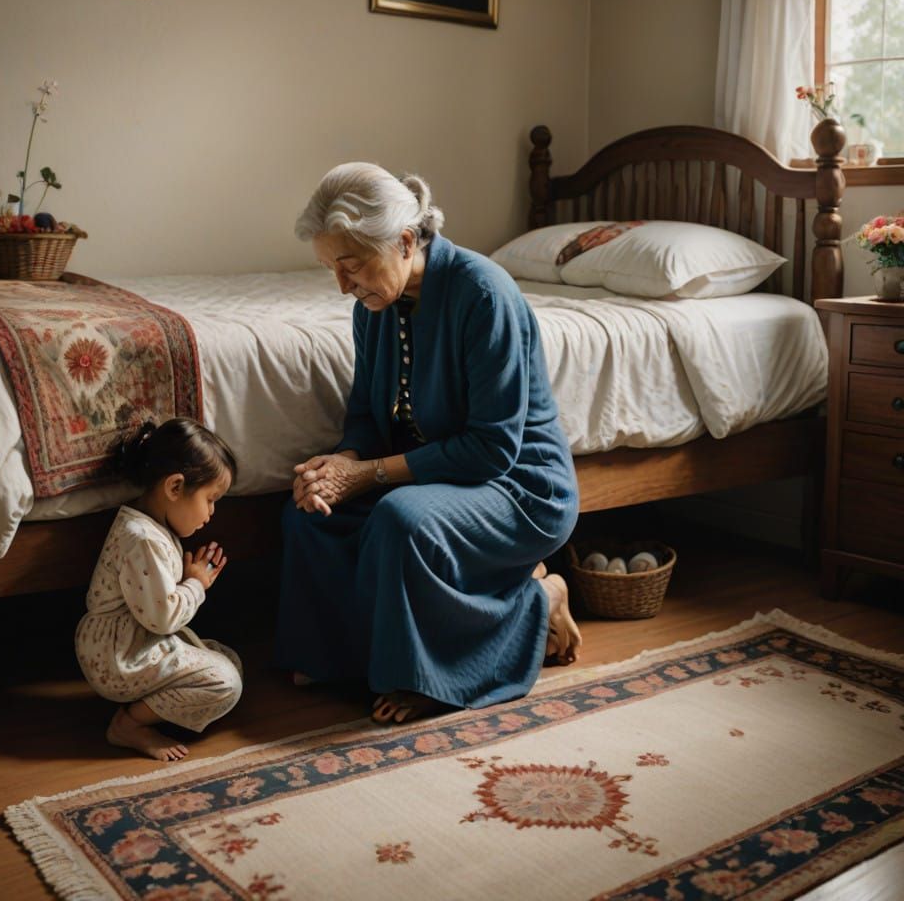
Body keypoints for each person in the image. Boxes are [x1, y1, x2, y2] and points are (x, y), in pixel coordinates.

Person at [274, 162, 581, 725]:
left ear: (405, 241)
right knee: (310, 512)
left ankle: (528, 610)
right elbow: (366, 416)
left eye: (352, 266)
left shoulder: (484, 294)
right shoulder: (372, 306)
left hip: (518, 487)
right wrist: (339, 464)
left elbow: (492, 450)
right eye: (331, 270)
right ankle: (346, 659)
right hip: (433, 473)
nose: (343, 285)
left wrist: (367, 475)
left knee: (399, 519)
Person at [75, 418, 242, 761]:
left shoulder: (152, 526)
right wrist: (196, 584)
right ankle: (130, 724)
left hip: (139, 641)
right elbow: (164, 618)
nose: (212, 512)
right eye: (211, 499)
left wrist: (188, 576)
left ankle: (153, 707)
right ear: (175, 487)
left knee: (228, 660)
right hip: (120, 656)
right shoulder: (141, 538)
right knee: (226, 683)